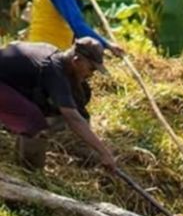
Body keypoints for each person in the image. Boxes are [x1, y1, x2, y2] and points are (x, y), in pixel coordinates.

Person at [0, 37, 117, 170]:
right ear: (77, 61)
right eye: (91, 69)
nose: (91, 74)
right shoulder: (54, 72)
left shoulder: (53, 54)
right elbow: (72, 117)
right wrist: (104, 152)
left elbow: (14, 44)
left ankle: (21, 162)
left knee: (42, 108)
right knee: (35, 123)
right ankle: (30, 173)